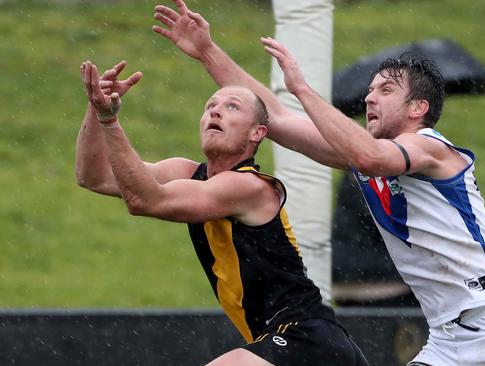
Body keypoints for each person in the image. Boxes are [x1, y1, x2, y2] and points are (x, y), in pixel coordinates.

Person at [151, 1, 485, 364]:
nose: (371, 97)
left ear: (419, 108)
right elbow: (275, 119)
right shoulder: (367, 159)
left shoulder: (430, 147)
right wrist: (207, 51)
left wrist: (303, 89)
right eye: (371, 89)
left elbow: (369, 155)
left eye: (386, 90)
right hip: (449, 340)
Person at [75, 59, 368, 366]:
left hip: (308, 338)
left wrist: (111, 123)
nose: (214, 110)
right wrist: (97, 111)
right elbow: (93, 176)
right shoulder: (188, 173)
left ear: (258, 133)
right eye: (210, 105)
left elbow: (144, 200)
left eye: (232, 107)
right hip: (282, 340)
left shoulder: (249, 187)